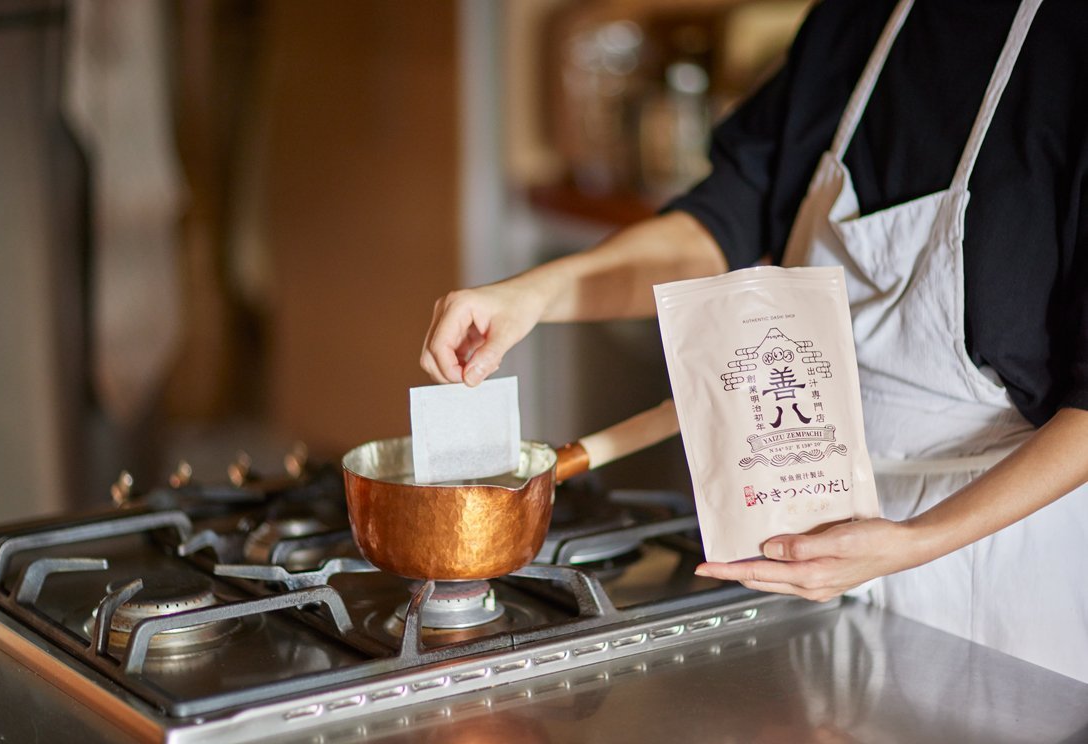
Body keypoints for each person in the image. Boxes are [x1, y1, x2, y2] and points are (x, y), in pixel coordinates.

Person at [420, 0, 1088, 683]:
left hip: (999, 575)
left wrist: (916, 542)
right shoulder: (858, 21)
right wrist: (538, 292)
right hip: (810, 544)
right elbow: (719, 227)